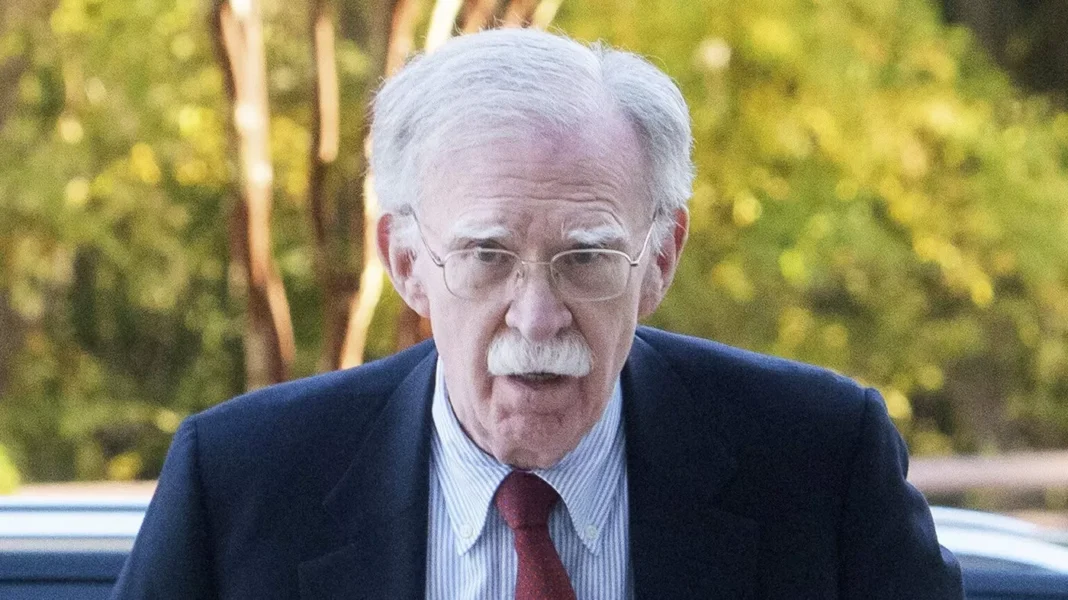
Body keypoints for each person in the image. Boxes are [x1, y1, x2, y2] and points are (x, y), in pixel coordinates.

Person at [111, 29, 963, 599]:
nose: (538, 318)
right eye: (487, 256)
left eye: (586, 258)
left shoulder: (819, 465)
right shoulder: (241, 484)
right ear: (406, 262)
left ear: (660, 258)